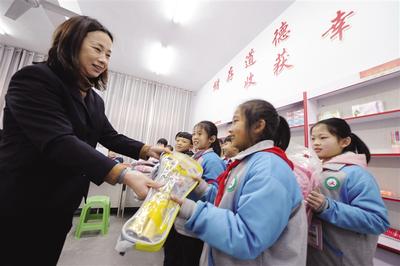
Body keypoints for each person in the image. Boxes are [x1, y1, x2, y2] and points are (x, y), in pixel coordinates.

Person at [0, 16, 166, 265]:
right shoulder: (35, 79)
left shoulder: (94, 99)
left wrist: (146, 149)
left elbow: (110, 136)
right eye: (97, 49)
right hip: (21, 200)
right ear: (70, 44)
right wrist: (124, 174)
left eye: (108, 54)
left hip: (60, 203)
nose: (103, 60)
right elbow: (59, 141)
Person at [171, 99, 308, 266]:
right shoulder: (249, 162)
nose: (230, 129)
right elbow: (230, 202)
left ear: (258, 126)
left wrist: (192, 211)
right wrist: (204, 189)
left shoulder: (270, 168)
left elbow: (249, 236)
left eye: (236, 121)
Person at [306, 118, 389, 266]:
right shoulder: (315, 171)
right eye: (313, 139)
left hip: (345, 260)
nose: (316, 143)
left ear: (344, 142)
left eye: (323, 138)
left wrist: (327, 207)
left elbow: (377, 221)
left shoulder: (356, 174)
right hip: (318, 257)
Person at [169, 121, 226, 266]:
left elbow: (216, 196)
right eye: (194, 133)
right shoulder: (196, 157)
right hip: (181, 222)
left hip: (193, 227)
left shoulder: (212, 161)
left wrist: (196, 185)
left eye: (199, 134)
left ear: (211, 139)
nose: (195, 137)